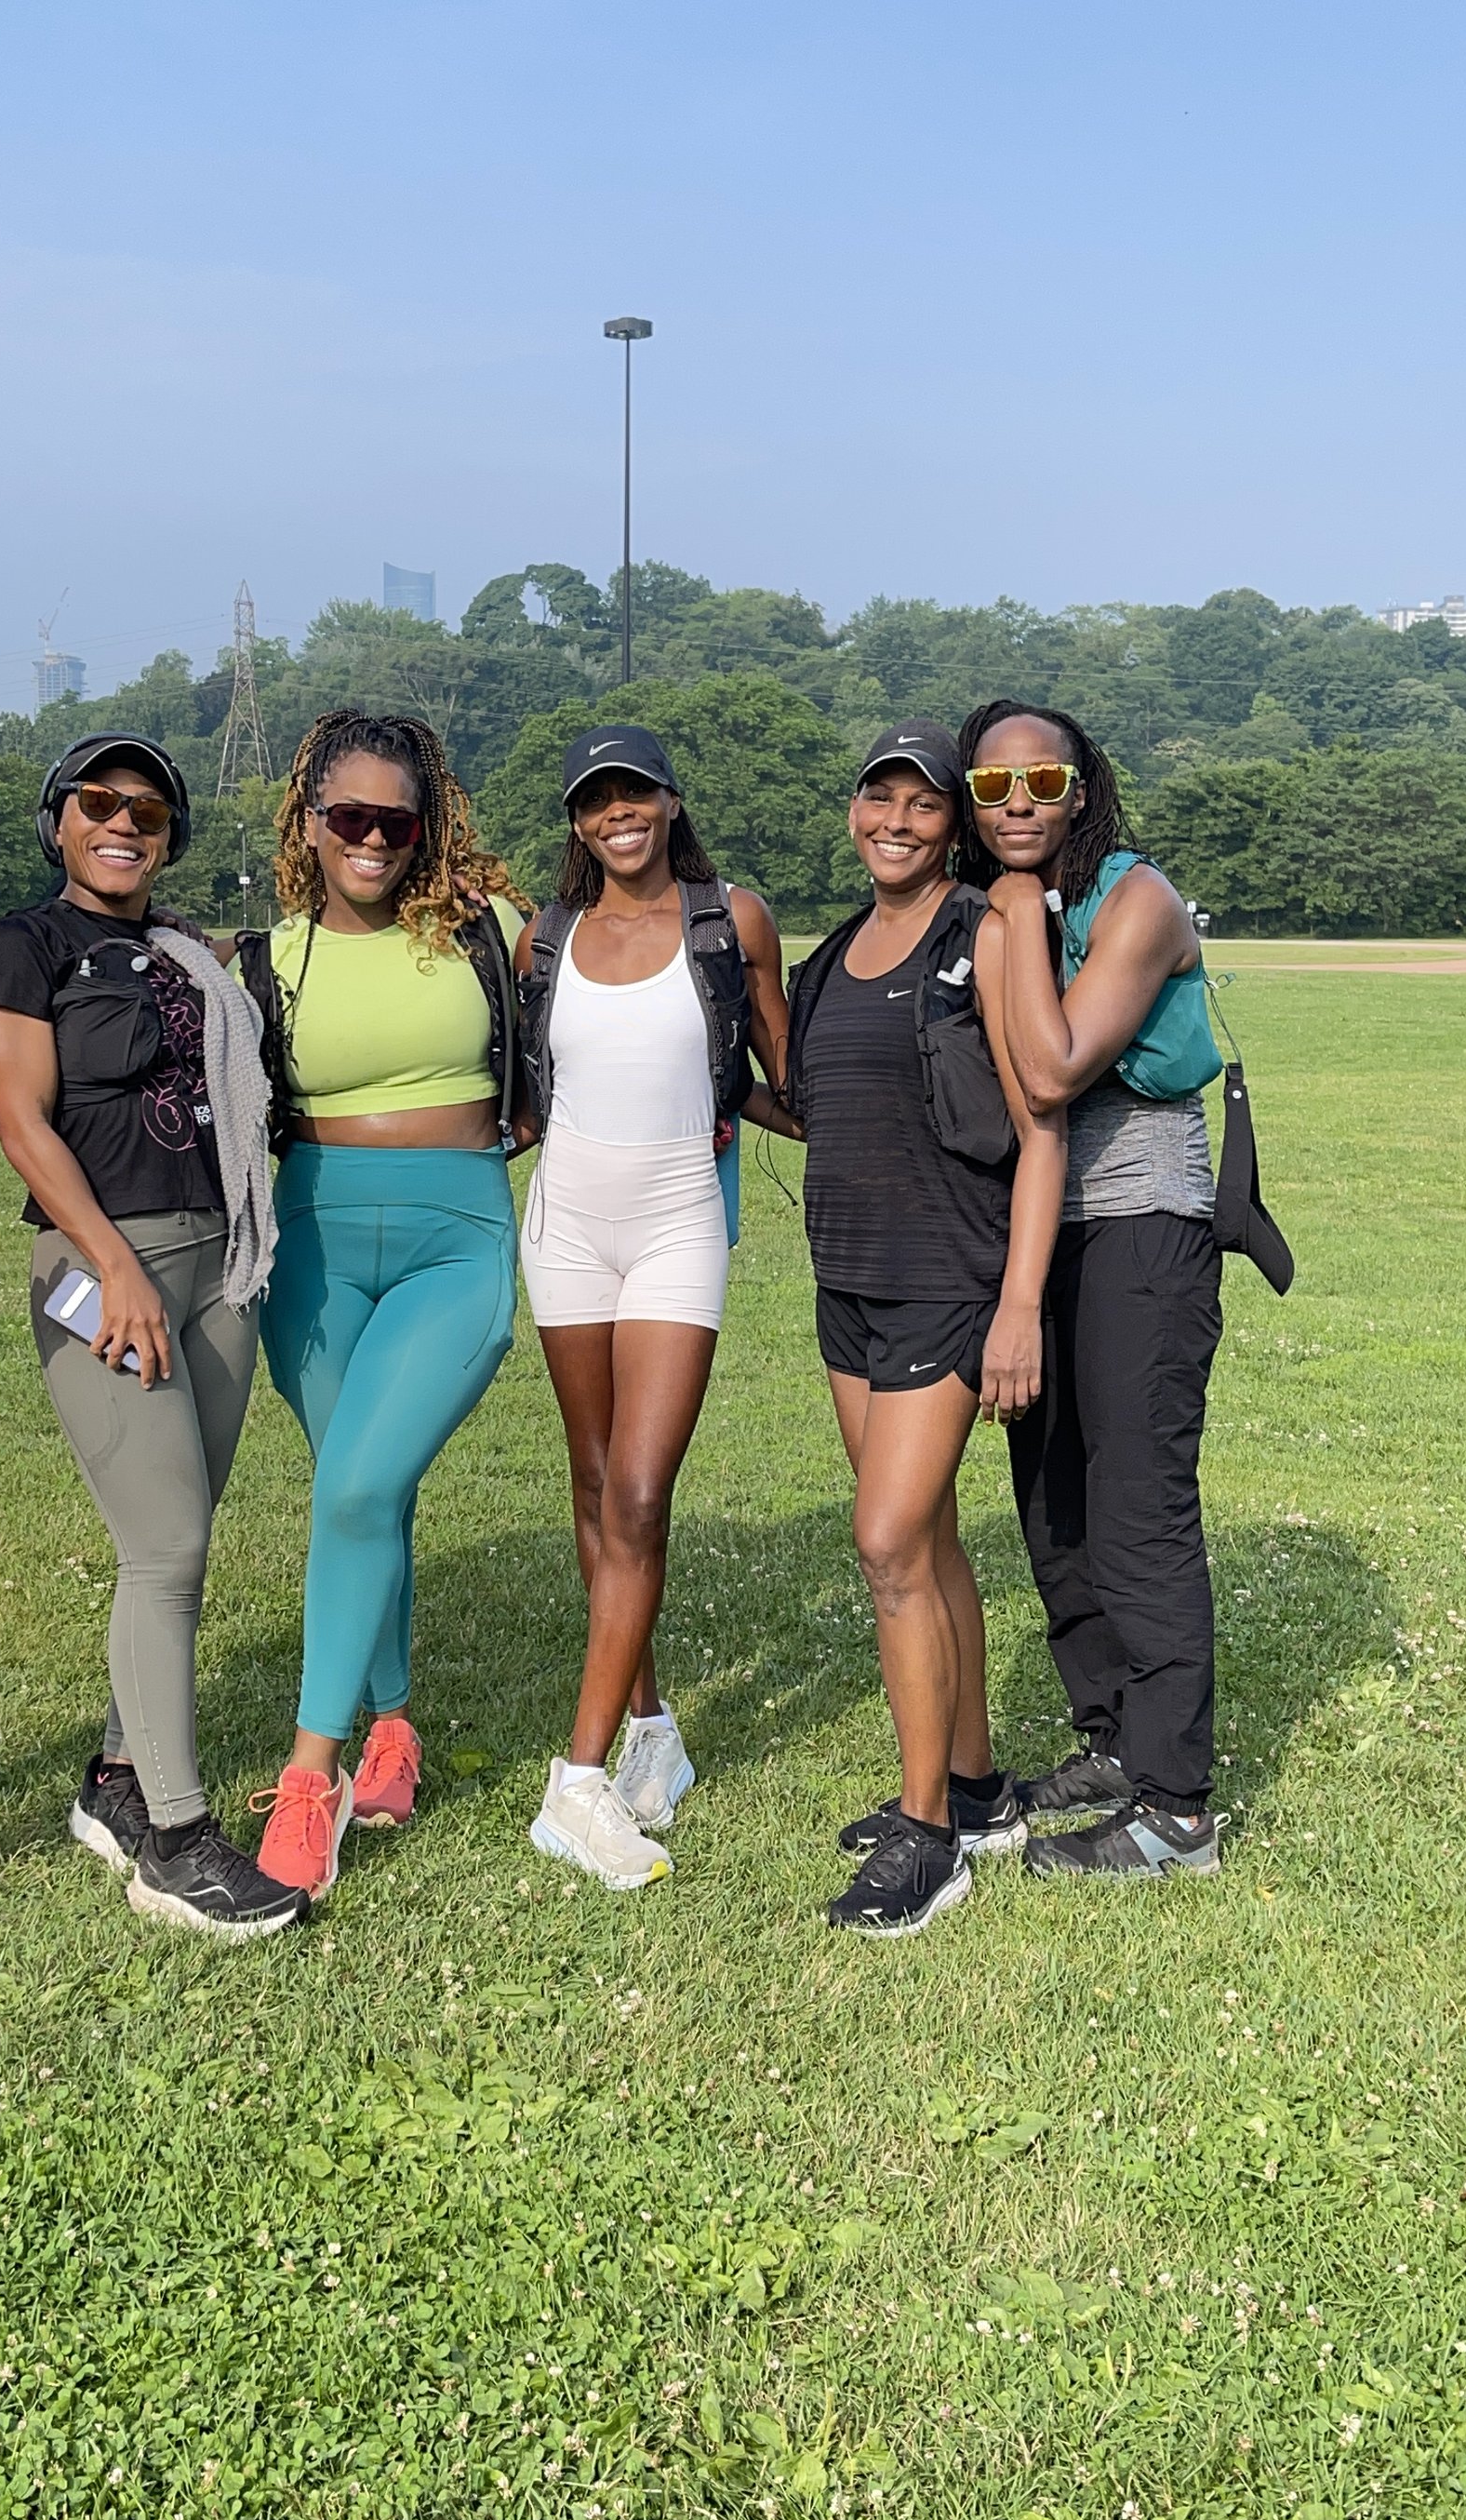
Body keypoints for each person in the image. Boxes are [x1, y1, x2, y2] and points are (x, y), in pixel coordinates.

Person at [0, 732, 301, 1940]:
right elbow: (19, 1120)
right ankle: (174, 1837)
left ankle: (114, 1778)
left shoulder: (179, 952)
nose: (125, 823)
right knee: (165, 1548)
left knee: (183, 1536)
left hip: (222, 1260)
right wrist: (113, 1267)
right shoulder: (25, 946)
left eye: (148, 811)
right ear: (58, 821)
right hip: (99, 1271)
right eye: (101, 803)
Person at [233, 709, 530, 1901]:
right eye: (345, 816)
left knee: (355, 1486)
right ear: (307, 819)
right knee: (366, 1486)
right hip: (309, 1247)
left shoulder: (489, 934)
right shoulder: (267, 956)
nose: (368, 838)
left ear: (428, 825)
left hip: (454, 1241)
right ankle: (394, 1723)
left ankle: (313, 1778)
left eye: (391, 821)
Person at [776, 721, 1065, 1937]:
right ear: (853, 811)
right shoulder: (835, 951)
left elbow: (1043, 1122)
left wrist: (1018, 1306)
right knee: (931, 1538)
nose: (895, 821)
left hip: (951, 1278)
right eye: (877, 799)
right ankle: (978, 1785)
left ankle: (928, 1838)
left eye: (922, 805)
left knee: (887, 1541)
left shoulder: (985, 933)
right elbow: (813, 1108)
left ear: (951, 823)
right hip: (848, 1281)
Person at [512, 723, 791, 1889]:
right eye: (596, 800)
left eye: (637, 794)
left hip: (679, 1218)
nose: (617, 814)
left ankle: (575, 1789)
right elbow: (527, 1092)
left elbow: (788, 1076)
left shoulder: (733, 918)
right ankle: (650, 1733)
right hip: (565, 1225)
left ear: (671, 803)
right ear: (579, 819)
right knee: (591, 1480)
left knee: (638, 1487)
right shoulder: (550, 933)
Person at [959, 698, 1226, 1877]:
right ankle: (1113, 1738)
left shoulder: (1136, 900)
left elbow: (1059, 1064)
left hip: (1142, 1229)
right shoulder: (1007, 908)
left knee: (1135, 1511)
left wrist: (1013, 912)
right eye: (992, 787)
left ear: (1083, 789)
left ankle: (1175, 1809)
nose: (1017, 804)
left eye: (1042, 784)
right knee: (1051, 1503)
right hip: (1036, 1240)